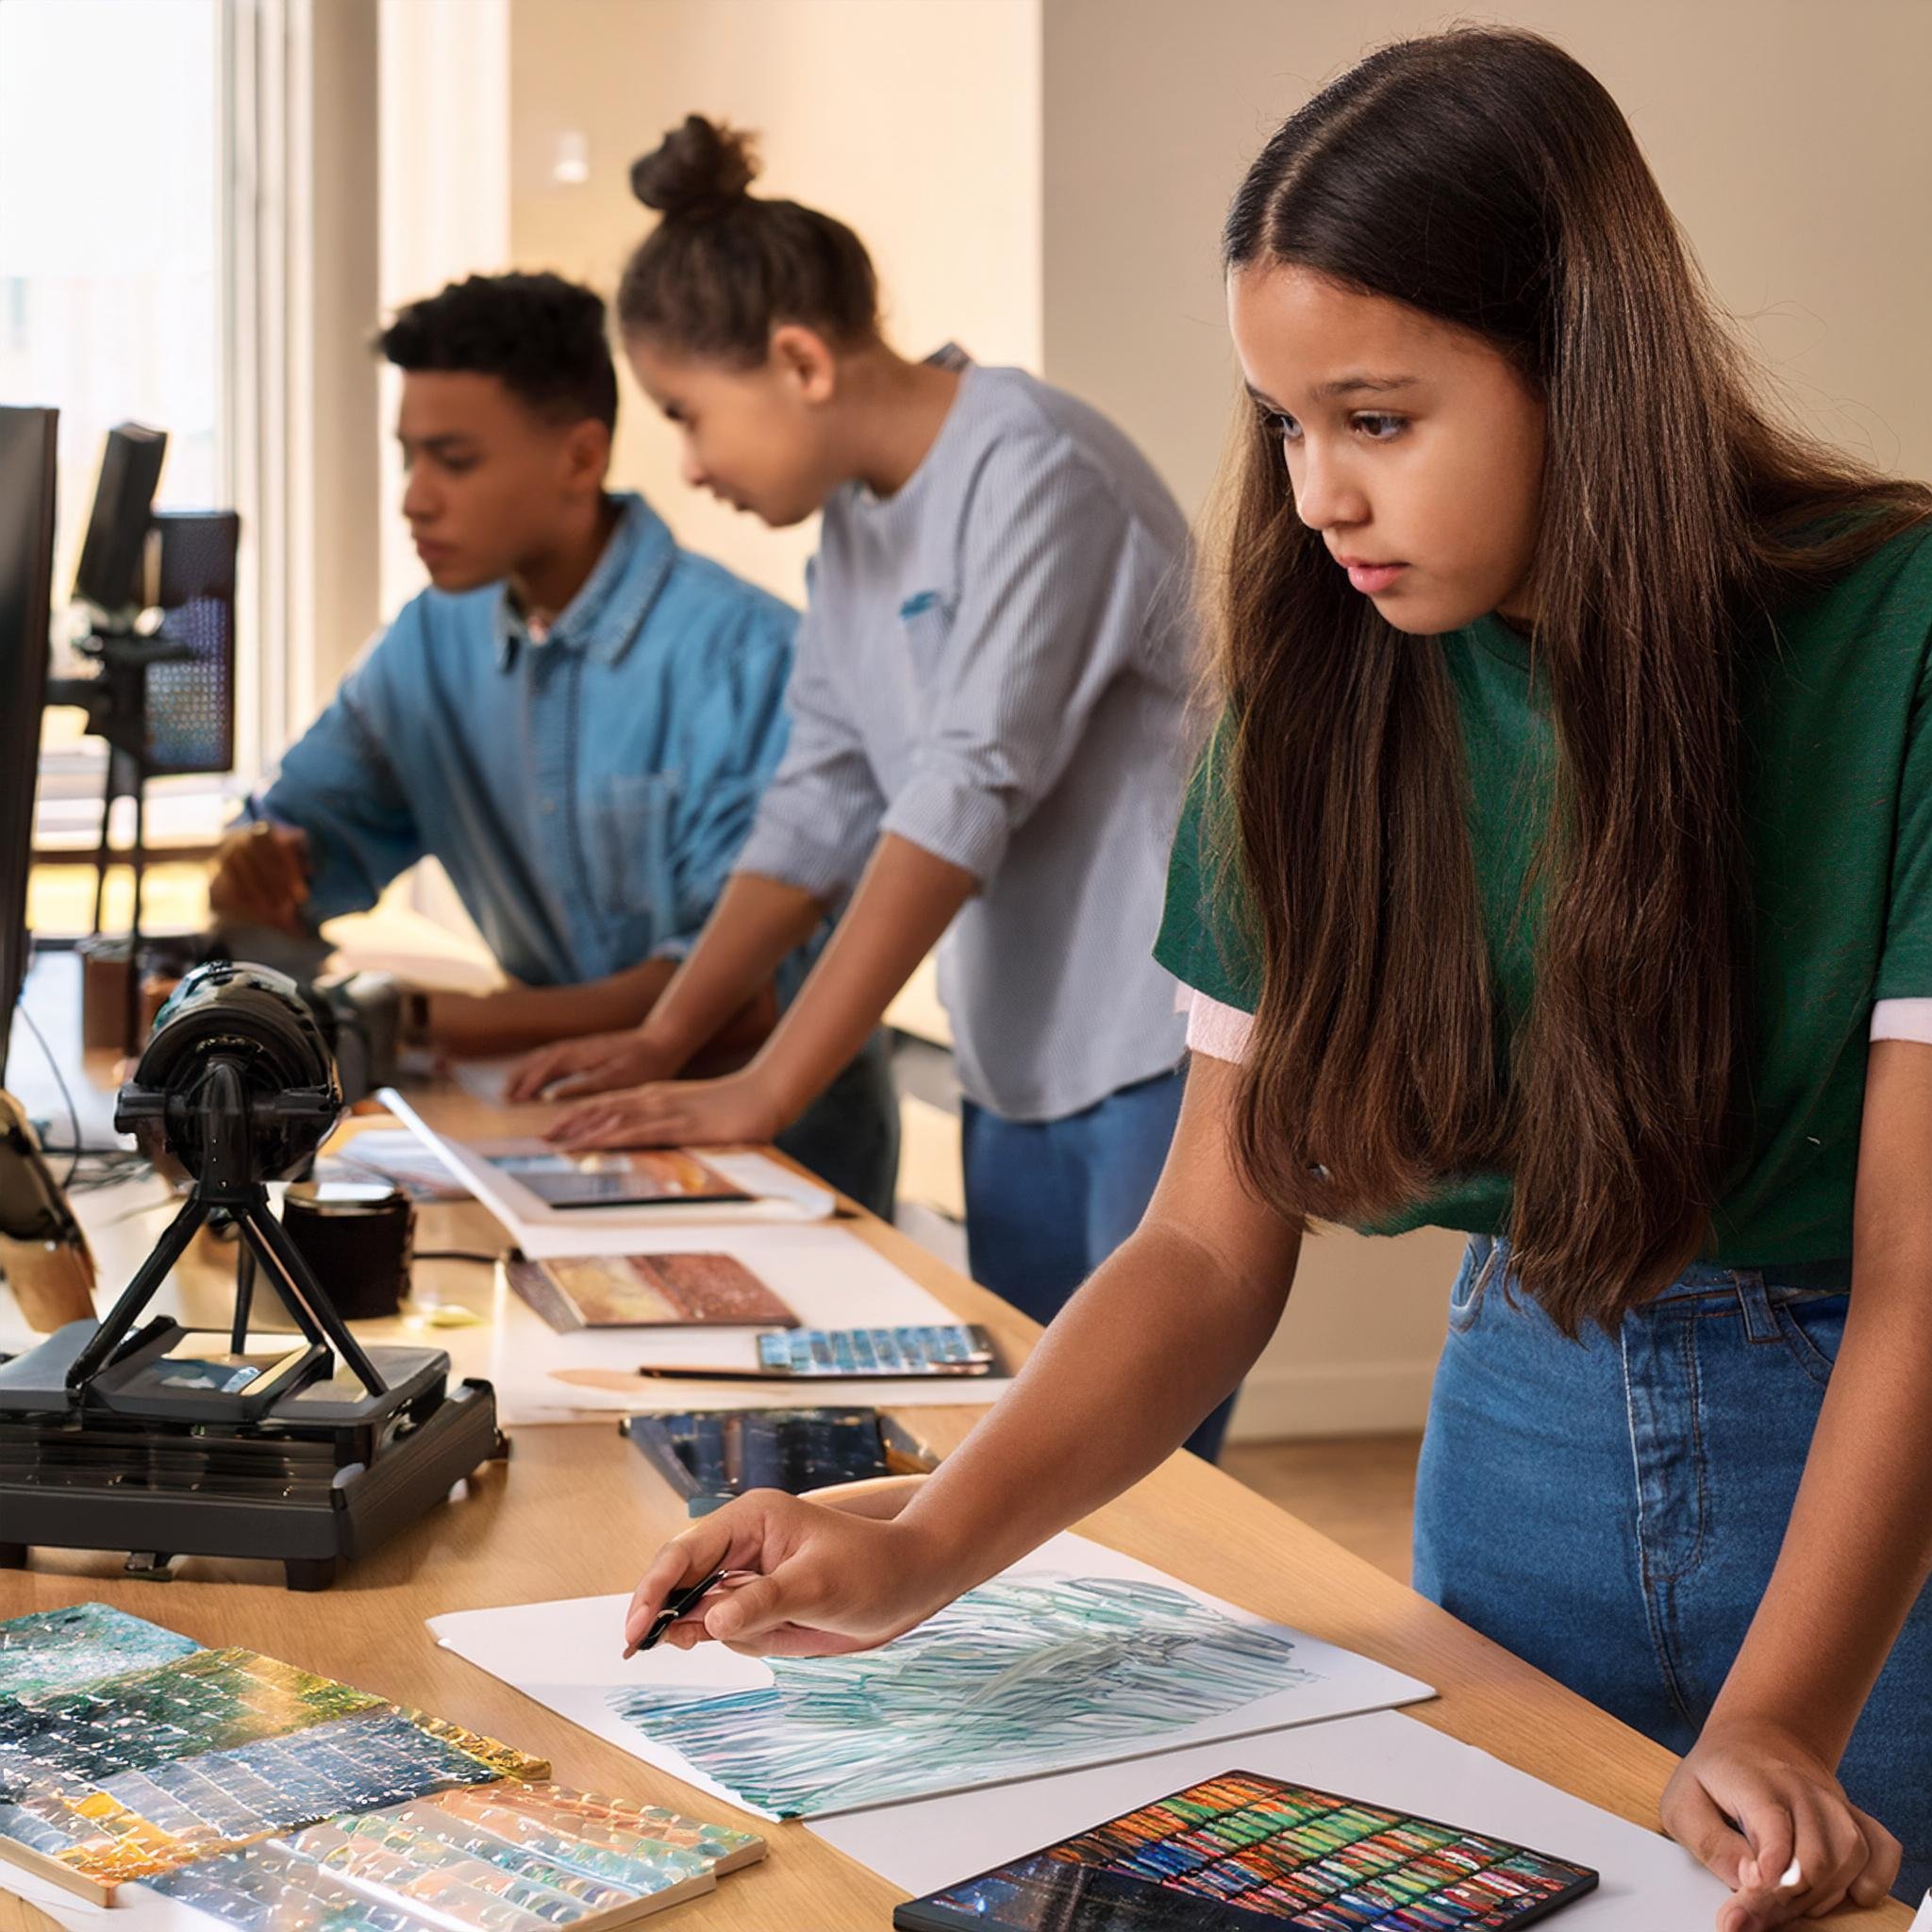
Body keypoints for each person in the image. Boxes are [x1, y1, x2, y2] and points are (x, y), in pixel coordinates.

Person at [608, 31, 1932, 1928]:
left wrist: (1789, 1716)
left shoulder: (1896, 632)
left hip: (1860, 1456)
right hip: (1520, 1411)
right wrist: (920, 1544)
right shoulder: (1319, 689)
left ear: (1585, 363)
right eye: (1285, 424)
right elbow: (1209, 1244)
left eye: (1376, 419)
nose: (1317, 494)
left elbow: (1918, 1271)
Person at [505, 120, 1213, 1447]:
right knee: (1014, 1463)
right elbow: (817, 801)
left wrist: (767, 1085)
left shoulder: (1033, 469)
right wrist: (672, 1034)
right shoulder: (858, 532)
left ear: (800, 361)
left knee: (1145, 1477)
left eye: (687, 416)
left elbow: (960, 796)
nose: (693, 465)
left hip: (1159, 1045)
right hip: (1020, 1056)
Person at [208, 270, 897, 1215]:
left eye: (453, 460)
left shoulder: (748, 658)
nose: (414, 499)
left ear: (580, 458)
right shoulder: (427, 641)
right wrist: (258, 864)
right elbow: (297, 848)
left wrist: (401, 1018)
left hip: (771, 1168)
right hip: (549, 1138)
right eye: (408, 457)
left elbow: (725, 1001)